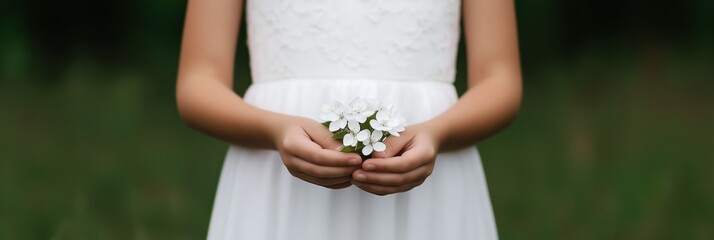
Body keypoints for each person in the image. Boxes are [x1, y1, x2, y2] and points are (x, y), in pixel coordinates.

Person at [176, 0, 521, 239]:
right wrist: (274, 129)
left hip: (431, 181)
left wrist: (436, 133)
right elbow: (197, 83)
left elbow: (500, 79)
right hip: (276, 178)